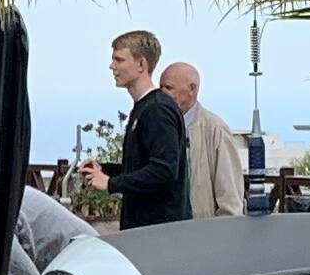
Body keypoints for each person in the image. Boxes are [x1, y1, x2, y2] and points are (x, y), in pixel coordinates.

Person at [79, 29, 191, 229]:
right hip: (144, 230)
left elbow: (163, 169)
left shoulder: (157, 110)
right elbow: (140, 169)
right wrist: (104, 170)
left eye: (119, 60)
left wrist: (110, 183)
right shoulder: (144, 108)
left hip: (158, 232)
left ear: (141, 64)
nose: (112, 66)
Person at [162, 60, 243, 223]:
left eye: (169, 88)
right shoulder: (161, 128)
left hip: (201, 234)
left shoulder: (214, 129)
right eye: (160, 88)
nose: (162, 94)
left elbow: (230, 197)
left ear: (192, 89)